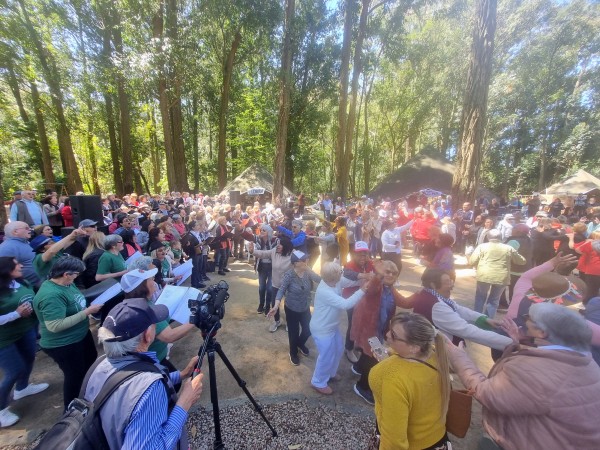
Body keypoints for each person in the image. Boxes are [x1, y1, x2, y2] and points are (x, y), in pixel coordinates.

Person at [447, 302, 600, 449]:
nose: (524, 321)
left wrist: (458, 357)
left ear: (542, 332)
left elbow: (486, 392)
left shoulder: (534, 371)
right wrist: (521, 342)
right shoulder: (584, 360)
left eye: (528, 318)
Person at [85, 298, 203, 448]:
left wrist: (181, 374)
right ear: (148, 335)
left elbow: (126, 392)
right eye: (155, 324)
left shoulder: (99, 366)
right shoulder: (150, 390)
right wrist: (184, 402)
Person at [369, 312, 451, 450]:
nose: (388, 335)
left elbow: (394, 442)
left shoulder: (394, 379)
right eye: (390, 328)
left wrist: (389, 362)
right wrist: (391, 352)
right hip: (437, 440)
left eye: (394, 336)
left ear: (414, 347)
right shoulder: (434, 354)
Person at [33, 256, 103, 409]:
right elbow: (55, 325)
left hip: (80, 335)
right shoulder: (51, 295)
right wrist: (86, 313)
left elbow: (76, 301)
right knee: (74, 376)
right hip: (64, 343)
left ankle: (87, 394)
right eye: (76, 274)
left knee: (89, 361)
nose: (77, 276)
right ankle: (71, 409)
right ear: (66, 274)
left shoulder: (67, 284)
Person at [350, 260, 413, 405]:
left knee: (367, 354)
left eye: (394, 273)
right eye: (387, 272)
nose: (390, 275)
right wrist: (378, 275)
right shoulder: (376, 285)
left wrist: (422, 294)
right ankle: (362, 387)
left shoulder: (390, 289)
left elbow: (404, 302)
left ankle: (358, 367)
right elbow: (371, 289)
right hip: (368, 327)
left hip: (378, 327)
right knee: (374, 358)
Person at [411, 269, 513, 350]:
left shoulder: (430, 294)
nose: (452, 285)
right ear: (433, 285)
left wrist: (485, 319)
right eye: (447, 282)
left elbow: (458, 308)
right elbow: (467, 331)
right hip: (437, 351)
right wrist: (510, 344)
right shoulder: (436, 306)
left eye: (451, 281)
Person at [0, 258, 49, 428]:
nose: (21, 265)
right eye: (15, 264)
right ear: (5, 269)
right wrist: (16, 314)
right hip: (4, 338)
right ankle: (1, 410)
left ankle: (22, 388)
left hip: (27, 329)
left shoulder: (21, 281)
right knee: (13, 371)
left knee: (29, 358)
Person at [120, 270, 195, 373]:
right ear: (142, 287)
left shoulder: (132, 302)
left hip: (151, 357)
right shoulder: (146, 309)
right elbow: (170, 336)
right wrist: (195, 319)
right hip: (151, 362)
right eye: (150, 279)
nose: (154, 280)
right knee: (173, 384)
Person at [310, 262, 366, 394]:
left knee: (338, 349)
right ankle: (318, 382)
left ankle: (330, 373)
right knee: (326, 355)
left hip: (332, 326)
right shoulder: (325, 291)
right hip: (322, 329)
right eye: (340, 273)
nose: (342, 273)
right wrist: (363, 290)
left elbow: (349, 282)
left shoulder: (336, 280)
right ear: (331, 278)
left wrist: (362, 282)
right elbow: (346, 304)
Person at [268, 251, 321, 366]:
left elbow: (320, 280)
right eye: (304, 260)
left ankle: (300, 343)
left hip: (305, 307)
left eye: (306, 259)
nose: (307, 261)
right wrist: (276, 306)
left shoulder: (308, 271)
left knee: (308, 329)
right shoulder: (289, 275)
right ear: (296, 263)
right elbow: (281, 290)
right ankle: (293, 352)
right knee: (293, 332)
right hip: (291, 308)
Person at [470, 229, 526, 318]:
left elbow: (472, 261)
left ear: (488, 237)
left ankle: (476, 318)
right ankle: (488, 322)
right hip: (501, 277)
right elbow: (522, 261)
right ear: (501, 237)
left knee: (480, 298)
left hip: (484, 275)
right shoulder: (508, 248)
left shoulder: (482, 247)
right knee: (494, 300)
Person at [340, 241, 374, 364]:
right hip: (351, 299)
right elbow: (348, 273)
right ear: (354, 254)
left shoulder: (370, 263)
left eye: (365, 254)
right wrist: (364, 276)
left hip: (365, 299)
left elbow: (377, 272)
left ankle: (357, 344)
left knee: (362, 322)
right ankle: (348, 348)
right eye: (359, 254)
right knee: (353, 323)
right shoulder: (349, 264)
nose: (362, 257)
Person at [250, 236, 294, 332]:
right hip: (276, 284)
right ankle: (277, 321)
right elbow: (263, 254)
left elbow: (304, 259)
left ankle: (289, 322)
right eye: (277, 244)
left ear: (286, 246)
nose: (277, 246)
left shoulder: (293, 255)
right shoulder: (274, 251)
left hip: (289, 286)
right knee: (274, 304)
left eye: (280, 245)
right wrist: (253, 251)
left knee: (289, 305)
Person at [0, 222, 39, 288]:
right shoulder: (7, 247)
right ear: (15, 232)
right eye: (26, 228)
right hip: (28, 289)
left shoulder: (25, 242)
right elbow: (4, 271)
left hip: (37, 284)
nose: (30, 229)